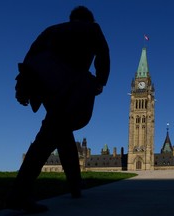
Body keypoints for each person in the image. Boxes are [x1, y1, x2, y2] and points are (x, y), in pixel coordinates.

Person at [7, 6, 110, 213]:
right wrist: (100, 82)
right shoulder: (92, 29)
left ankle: (75, 184)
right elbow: (103, 56)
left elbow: (31, 58)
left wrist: (23, 89)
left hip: (44, 84)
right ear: (88, 20)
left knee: (61, 131)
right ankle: (19, 193)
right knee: (48, 136)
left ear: (71, 19)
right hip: (67, 85)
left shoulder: (51, 30)